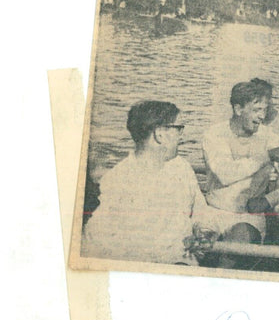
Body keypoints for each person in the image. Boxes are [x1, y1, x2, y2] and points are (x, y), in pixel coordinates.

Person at [82, 100, 219, 265]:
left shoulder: (182, 168)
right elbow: (94, 244)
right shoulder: (117, 181)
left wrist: (204, 233)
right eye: (178, 129)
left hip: (184, 263)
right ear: (159, 134)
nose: (182, 136)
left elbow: (202, 213)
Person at [202, 81, 279, 242]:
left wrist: (269, 200)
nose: (262, 116)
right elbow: (225, 174)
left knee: (240, 237)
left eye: (265, 109)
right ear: (238, 109)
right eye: (256, 110)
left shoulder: (271, 138)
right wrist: (266, 156)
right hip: (212, 212)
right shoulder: (214, 134)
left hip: (248, 217)